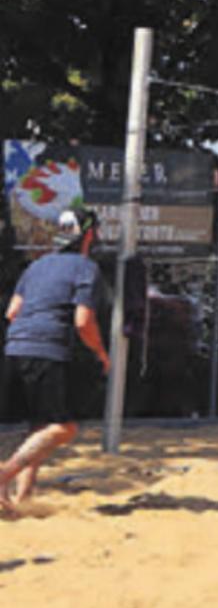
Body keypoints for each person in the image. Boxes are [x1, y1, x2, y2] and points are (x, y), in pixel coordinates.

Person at [0, 207, 109, 514]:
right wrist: (100, 353)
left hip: (15, 348)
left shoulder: (36, 267)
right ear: (88, 234)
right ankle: (3, 475)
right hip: (47, 349)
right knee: (63, 428)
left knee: (41, 426)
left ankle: (23, 499)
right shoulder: (86, 269)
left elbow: (11, 313)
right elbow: (83, 320)